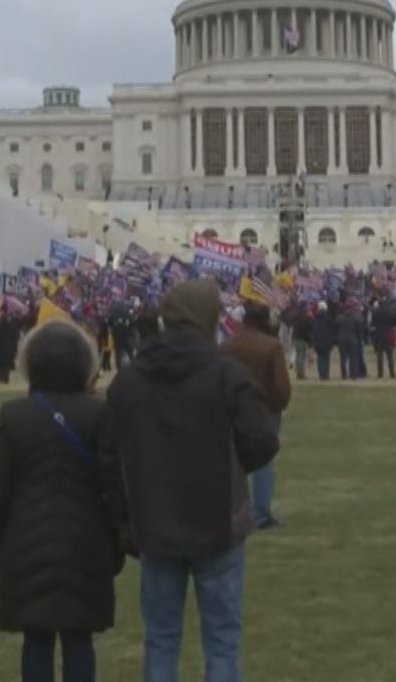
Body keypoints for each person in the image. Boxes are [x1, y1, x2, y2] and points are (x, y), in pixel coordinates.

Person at [99, 279, 279, 682]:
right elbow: (263, 439)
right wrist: (231, 465)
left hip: (156, 518)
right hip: (217, 518)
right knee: (221, 641)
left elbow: (108, 457)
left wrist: (126, 516)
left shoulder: (130, 380)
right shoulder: (224, 374)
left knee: (161, 640)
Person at [0, 321, 122, 682]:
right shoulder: (99, 414)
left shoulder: (14, 416)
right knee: (79, 640)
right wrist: (116, 542)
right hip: (86, 540)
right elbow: (113, 484)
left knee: (36, 639)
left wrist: (1, 543)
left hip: (26, 540)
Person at [222, 302, 293, 531]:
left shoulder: (228, 344)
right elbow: (281, 386)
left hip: (231, 409)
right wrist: (277, 406)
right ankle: (260, 514)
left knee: (232, 462)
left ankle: (232, 511)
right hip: (263, 410)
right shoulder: (270, 346)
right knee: (264, 462)